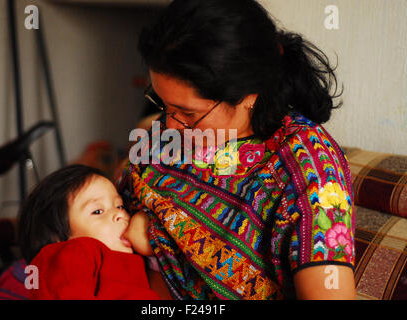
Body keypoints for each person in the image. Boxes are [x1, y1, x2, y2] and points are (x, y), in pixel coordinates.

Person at [117, 0, 356, 300]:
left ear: (248, 95)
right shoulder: (166, 135)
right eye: (161, 103)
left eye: (187, 114)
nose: (169, 125)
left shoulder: (308, 167)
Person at [17, 164, 160, 300]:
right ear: (58, 238)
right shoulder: (73, 251)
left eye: (120, 206)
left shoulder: (136, 256)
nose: (120, 215)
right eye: (98, 211)